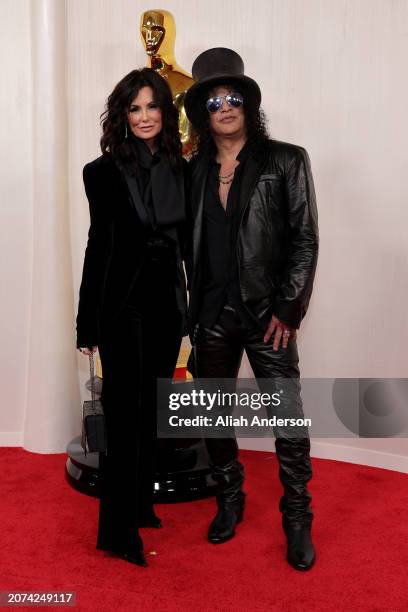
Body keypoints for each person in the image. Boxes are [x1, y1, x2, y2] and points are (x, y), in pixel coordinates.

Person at [184, 48, 319, 570]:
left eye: (233, 96)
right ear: (203, 111)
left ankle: (297, 517)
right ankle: (230, 500)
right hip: (212, 315)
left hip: (269, 316)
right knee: (214, 417)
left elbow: (305, 240)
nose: (225, 106)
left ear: (248, 103)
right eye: (214, 99)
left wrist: (290, 307)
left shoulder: (286, 159)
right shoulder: (193, 170)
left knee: (287, 419)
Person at [76, 68, 187, 567]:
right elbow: (97, 247)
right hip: (122, 306)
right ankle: (117, 533)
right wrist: (86, 324)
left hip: (167, 305)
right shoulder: (99, 172)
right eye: (134, 108)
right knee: (123, 415)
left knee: (151, 412)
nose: (144, 117)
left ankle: (141, 505)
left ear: (166, 112)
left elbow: (187, 245)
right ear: (122, 115)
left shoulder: (181, 168)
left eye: (152, 107)